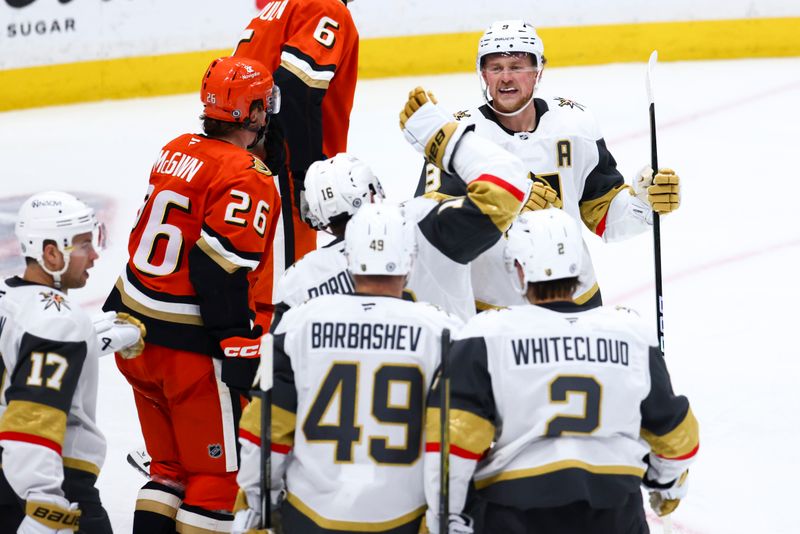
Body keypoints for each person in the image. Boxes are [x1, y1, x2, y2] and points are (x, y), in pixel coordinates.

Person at [424, 208, 699, 533]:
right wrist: (666, 485)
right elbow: (678, 436)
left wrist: (448, 518)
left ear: (519, 269)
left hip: (517, 514)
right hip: (614, 514)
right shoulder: (629, 332)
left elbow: (454, 440)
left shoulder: (487, 334)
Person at [102, 57, 282, 533]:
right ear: (255, 111)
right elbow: (215, 269)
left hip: (132, 330)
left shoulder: (176, 148)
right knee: (218, 478)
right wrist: (233, 343)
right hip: (185, 351)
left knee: (168, 470)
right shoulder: (250, 177)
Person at [415, 19, 681, 311]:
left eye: (516, 67)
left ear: (538, 71)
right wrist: (503, 204)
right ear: (483, 73)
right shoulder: (460, 137)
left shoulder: (574, 125)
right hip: (490, 308)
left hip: (572, 298)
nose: (505, 78)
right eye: (495, 67)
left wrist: (643, 205)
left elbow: (603, 214)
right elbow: (432, 234)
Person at [233, 203, 463, 533]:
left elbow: (265, 426)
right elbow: (452, 438)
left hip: (309, 513)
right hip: (404, 514)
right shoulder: (444, 331)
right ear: (410, 260)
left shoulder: (298, 323)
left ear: (349, 258)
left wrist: (256, 503)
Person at [273, 86, 532, 326]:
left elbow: (279, 364)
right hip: (445, 373)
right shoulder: (422, 228)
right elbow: (506, 189)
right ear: (374, 193)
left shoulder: (299, 281)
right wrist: (443, 138)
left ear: (321, 221)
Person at [0, 191, 144, 534]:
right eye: (82, 245)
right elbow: (33, 416)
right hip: (55, 482)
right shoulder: (58, 322)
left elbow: (21, 361)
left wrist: (89, 341)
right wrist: (46, 507)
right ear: (51, 252)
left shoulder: (10, 297)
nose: (94, 256)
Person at [234, 0, 359, 269]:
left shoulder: (282, 7)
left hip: (246, 162)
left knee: (257, 280)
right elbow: (294, 89)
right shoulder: (328, 8)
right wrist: (307, 176)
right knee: (285, 288)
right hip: (281, 169)